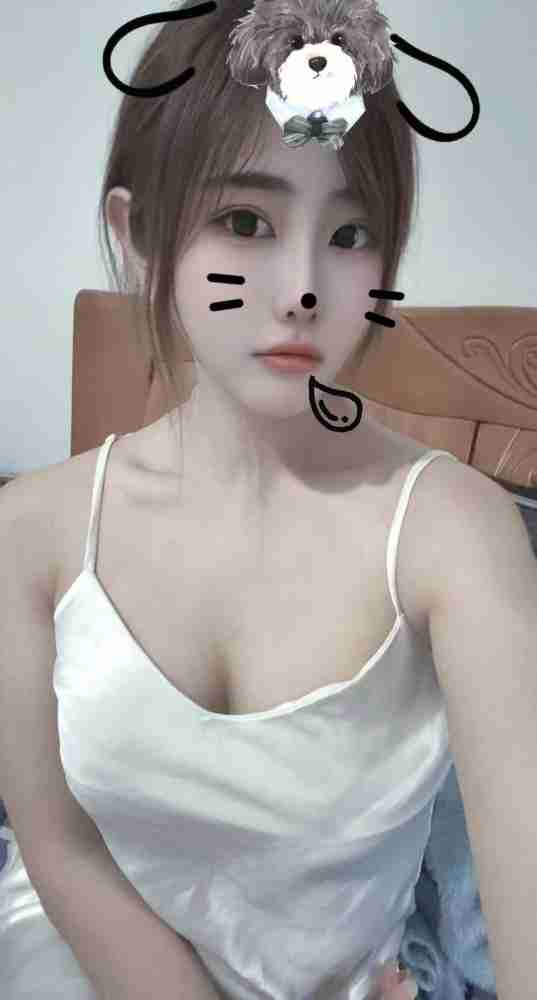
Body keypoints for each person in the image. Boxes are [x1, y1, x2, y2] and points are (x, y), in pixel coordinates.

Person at [0, 1, 476, 997]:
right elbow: (57, 844)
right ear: (140, 233)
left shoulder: (455, 535)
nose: (301, 287)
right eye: (246, 221)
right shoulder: (28, 531)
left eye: (351, 233)